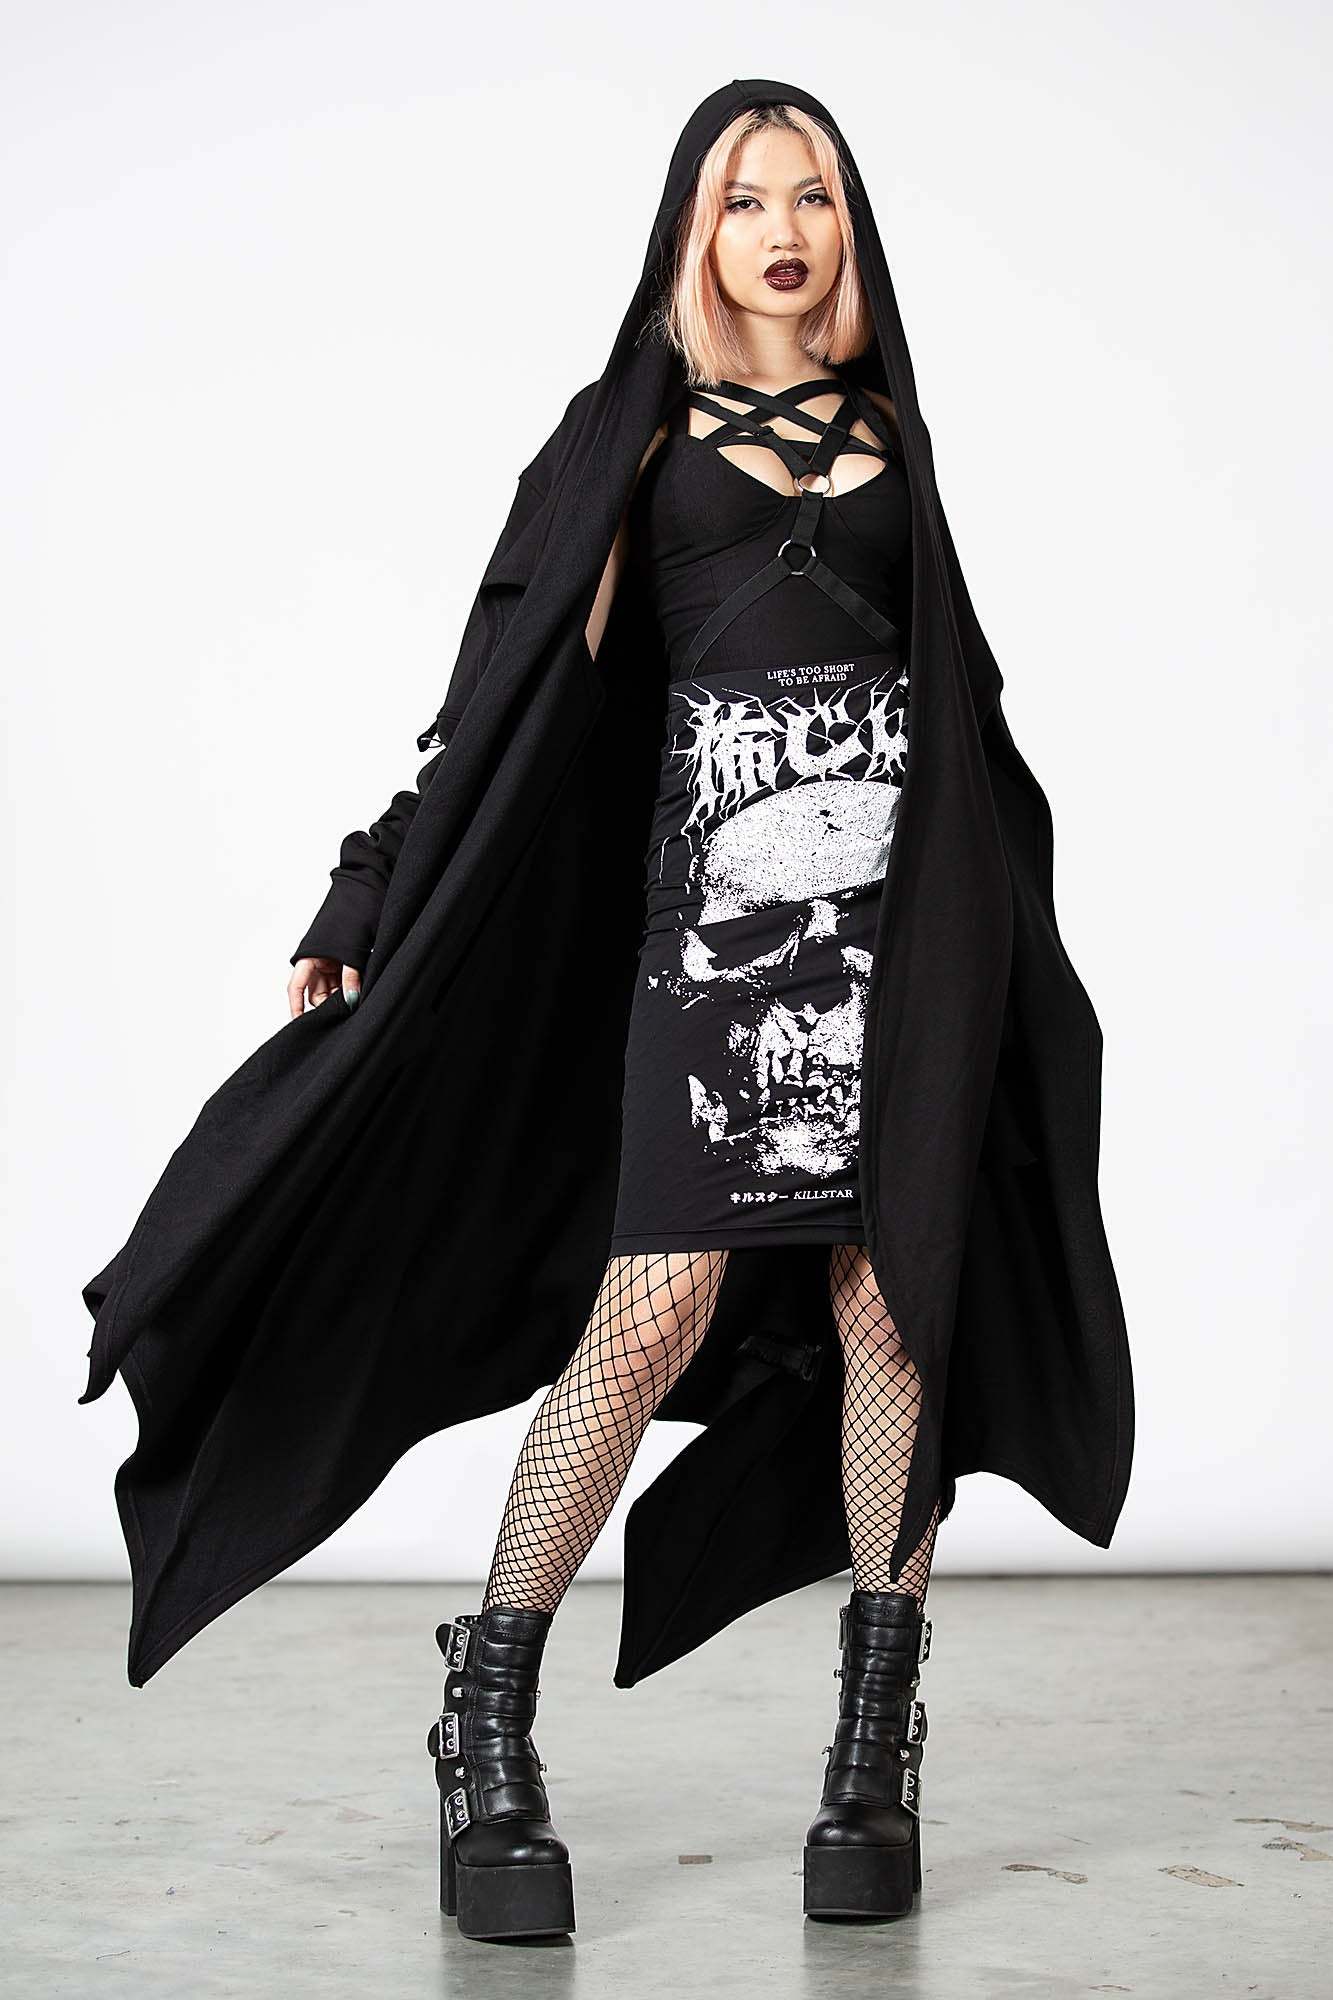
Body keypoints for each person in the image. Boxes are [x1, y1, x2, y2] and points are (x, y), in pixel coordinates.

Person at [81, 78, 1133, 1949]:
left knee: (894, 1306)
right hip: (716, 935)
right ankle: (485, 1719)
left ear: (850, 228)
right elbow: (498, 698)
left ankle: (872, 1756)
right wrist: (370, 883)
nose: (784, 230)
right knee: (650, 1311)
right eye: (746, 199)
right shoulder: (627, 435)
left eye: (814, 195)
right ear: (690, 231)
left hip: (905, 947)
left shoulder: (897, 433)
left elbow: (958, 700)